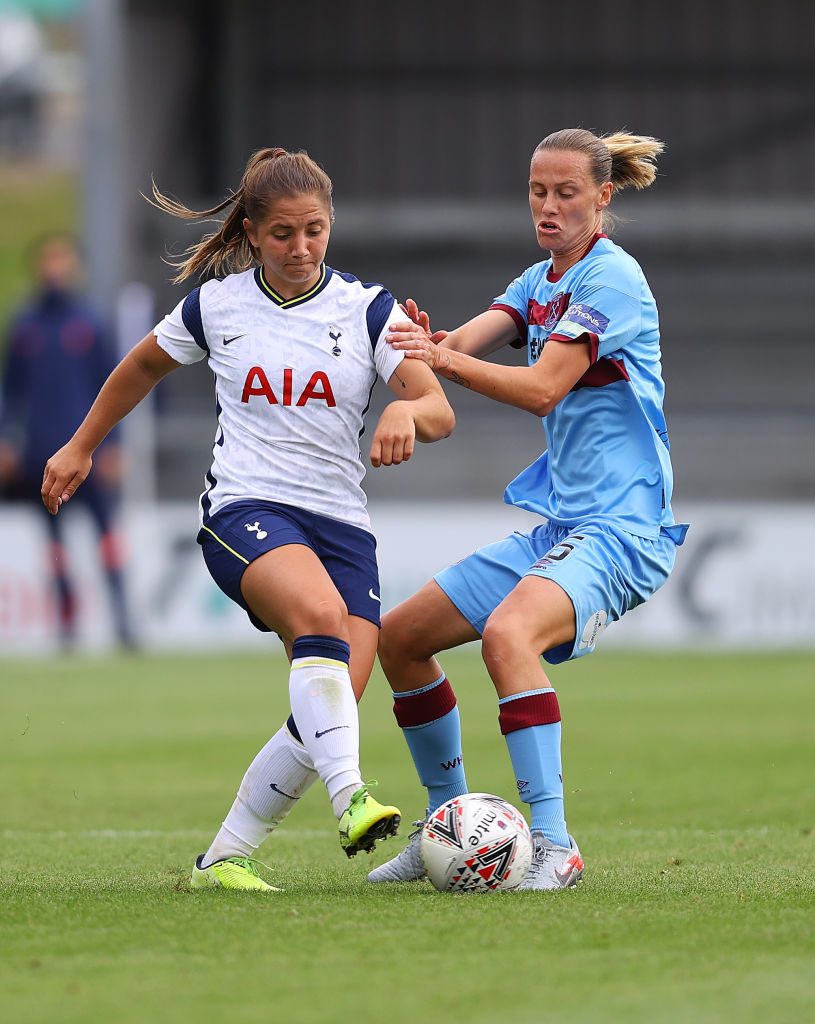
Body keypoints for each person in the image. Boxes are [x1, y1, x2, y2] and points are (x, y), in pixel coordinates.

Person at [41, 147, 455, 891]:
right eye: (283, 234)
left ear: (331, 225)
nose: (301, 247)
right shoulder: (217, 305)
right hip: (246, 508)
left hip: (342, 526)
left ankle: (224, 858)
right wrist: (81, 446)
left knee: (327, 708)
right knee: (321, 623)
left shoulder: (368, 310)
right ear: (254, 234)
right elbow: (141, 366)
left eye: (314, 230)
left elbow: (437, 407)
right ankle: (352, 800)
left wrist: (406, 411)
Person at [368, 128, 689, 890]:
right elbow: (458, 344)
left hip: (623, 531)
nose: (547, 206)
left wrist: (442, 359)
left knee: (508, 635)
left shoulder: (612, 280)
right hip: (563, 529)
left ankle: (554, 843)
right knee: (401, 639)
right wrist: (414, 347)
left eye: (565, 193)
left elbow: (542, 387)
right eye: (537, 192)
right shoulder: (538, 280)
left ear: (602, 198)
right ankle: (447, 824)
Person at [0, 233, 132, 649]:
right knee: (55, 545)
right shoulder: (25, 326)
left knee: (106, 534)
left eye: (62, 259)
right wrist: (7, 439)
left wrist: (115, 443)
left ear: (75, 266)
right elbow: (10, 390)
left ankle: (124, 622)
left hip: (89, 451)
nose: (55, 268)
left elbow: (116, 385)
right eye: (48, 260)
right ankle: (67, 626)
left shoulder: (90, 323)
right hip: (43, 454)